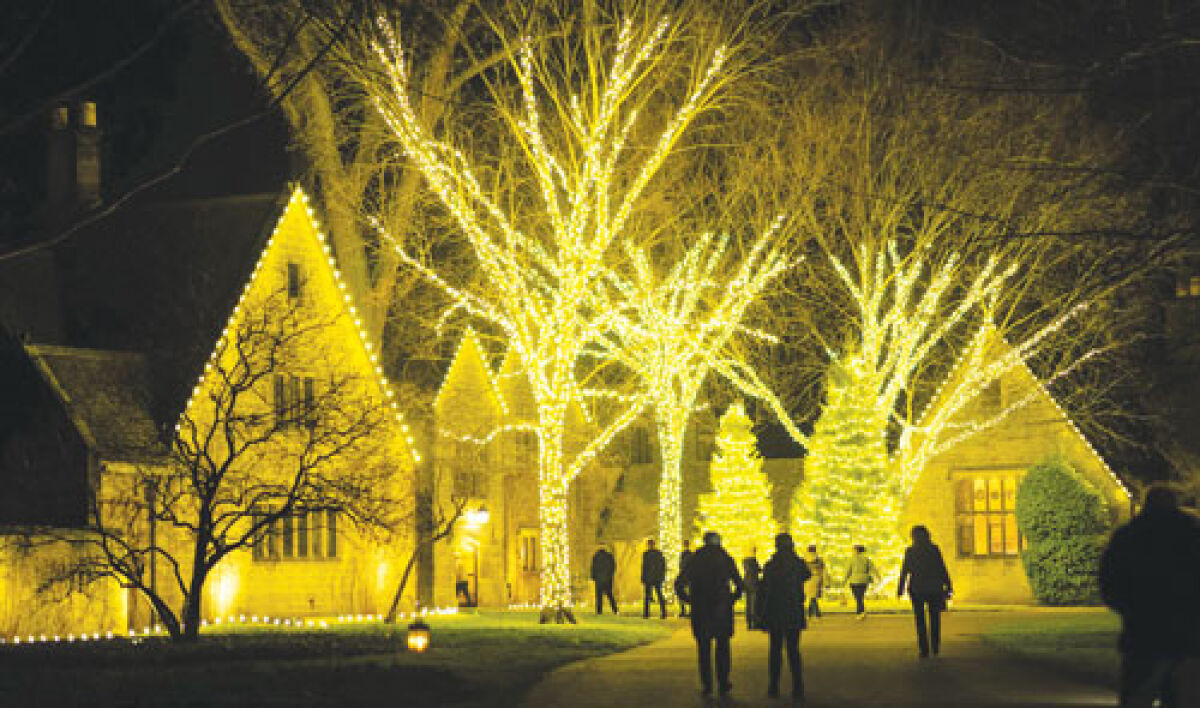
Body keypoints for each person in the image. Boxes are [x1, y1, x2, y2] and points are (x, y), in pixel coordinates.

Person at [1100, 484, 1200, 708]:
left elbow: (1110, 582)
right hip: (1187, 637)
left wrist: (1129, 610)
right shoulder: (1192, 534)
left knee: (1137, 696)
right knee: (1184, 697)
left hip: (1142, 634)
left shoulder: (1128, 535)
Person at [675, 531, 744, 697]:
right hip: (721, 609)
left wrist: (689, 600)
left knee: (704, 649)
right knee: (723, 648)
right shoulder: (725, 558)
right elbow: (740, 584)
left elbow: (679, 584)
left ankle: (707, 684)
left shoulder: (695, 560)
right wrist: (731, 599)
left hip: (701, 609)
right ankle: (723, 682)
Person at [758, 533, 812, 699]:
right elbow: (807, 575)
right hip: (793, 610)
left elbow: (765, 587)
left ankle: (774, 686)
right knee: (793, 650)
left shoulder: (771, 565)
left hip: (775, 611)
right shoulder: (797, 564)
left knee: (775, 650)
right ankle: (798, 686)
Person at [897, 525, 953, 658]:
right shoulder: (934, 549)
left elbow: (905, 570)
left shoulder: (910, 551)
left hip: (917, 588)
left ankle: (924, 649)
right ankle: (935, 646)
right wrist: (948, 584)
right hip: (934, 587)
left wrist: (900, 588)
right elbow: (941, 567)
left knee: (920, 619)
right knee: (935, 618)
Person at [843, 544, 877, 619]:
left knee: (857, 597)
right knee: (860, 596)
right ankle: (862, 611)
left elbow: (848, 570)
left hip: (854, 580)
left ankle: (860, 612)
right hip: (864, 580)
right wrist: (877, 576)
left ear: (856, 550)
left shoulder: (852, 559)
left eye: (853, 550)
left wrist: (845, 579)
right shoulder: (867, 559)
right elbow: (873, 568)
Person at [641, 539, 667, 619]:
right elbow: (663, 566)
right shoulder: (658, 554)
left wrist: (643, 577)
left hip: (650, 578)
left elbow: (644, 567)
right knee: (659, 595)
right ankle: (663, 613)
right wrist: (662, 576)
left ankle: (646, 613)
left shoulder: (646, 554)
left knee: (648, 596)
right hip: (656, 578)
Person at [590, 545, 618, 615]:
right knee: (610, 595)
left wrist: (593, 577)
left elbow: (593, 567)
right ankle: (615, 609)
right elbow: (613, 567)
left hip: (599, 579)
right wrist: (610, 575)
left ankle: (599, 611)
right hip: (607, 579)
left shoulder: (596, 556)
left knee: (599, 596)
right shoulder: (609, 556)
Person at [805, 544, 830, 620]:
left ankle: (814, 614)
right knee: (813, 597)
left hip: (809, 579)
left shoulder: (805, 559)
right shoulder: (819, 560)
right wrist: (826, 582)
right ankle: (813, 614)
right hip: (817, 579)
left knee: (812, 597)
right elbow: (824, 571)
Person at [742, 548, 762, 630]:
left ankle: (749, 622)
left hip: (747, 583)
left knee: (748, 603)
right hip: (753, 583)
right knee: (754, 603)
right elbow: (758, 570)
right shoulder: (753, 561)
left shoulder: (744, 561)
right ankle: (754, 622)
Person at [678, 540, 694, 618]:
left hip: (685, 576)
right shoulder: (691, 554)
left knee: (681, 591)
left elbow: (681, 565)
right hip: (689, 576)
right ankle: (688, 610)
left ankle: (684, 610)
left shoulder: (685, 554)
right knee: (690, 592)